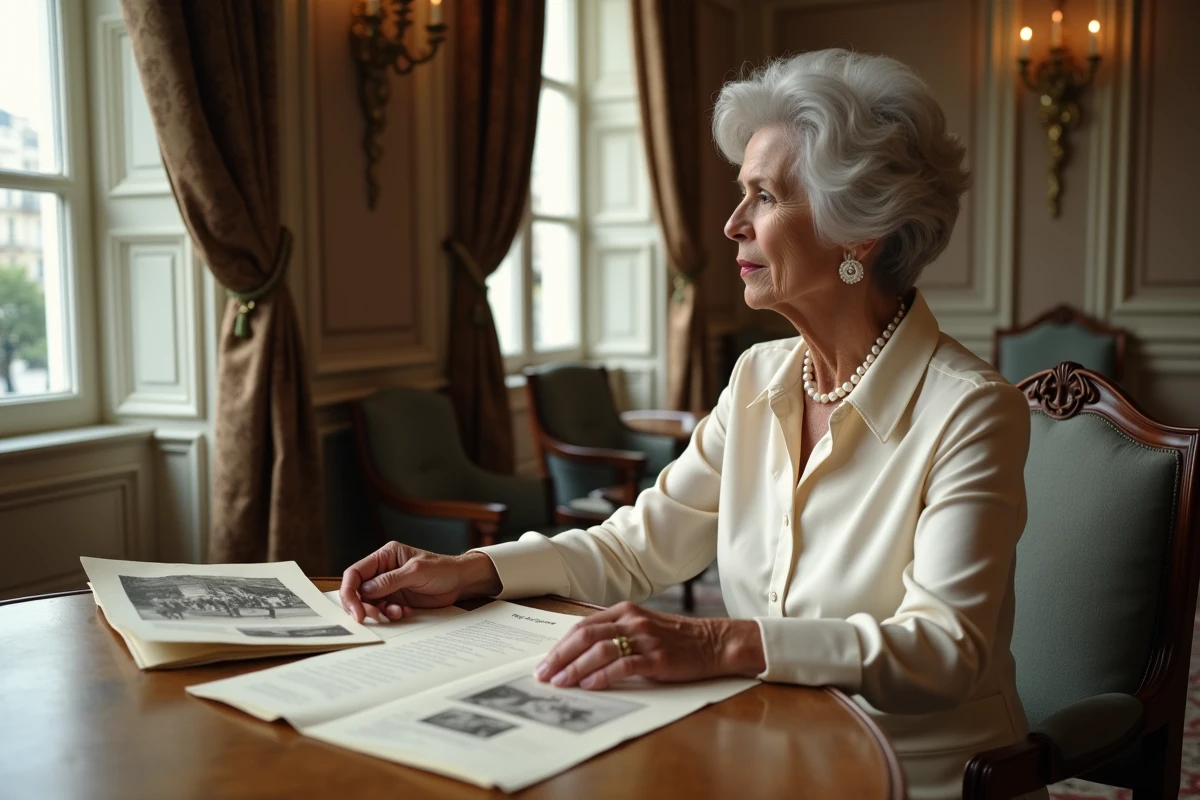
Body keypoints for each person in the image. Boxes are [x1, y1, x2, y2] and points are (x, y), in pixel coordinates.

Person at [341, 49, 1039, 800]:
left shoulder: (970, 410)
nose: (733, 223)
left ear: (857, 233)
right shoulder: (758, 378)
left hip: (920, 774)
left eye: (764, 196)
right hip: (767, 747)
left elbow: (944, 651)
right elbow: (638, 545)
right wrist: (474, 570)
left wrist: (718, 640)